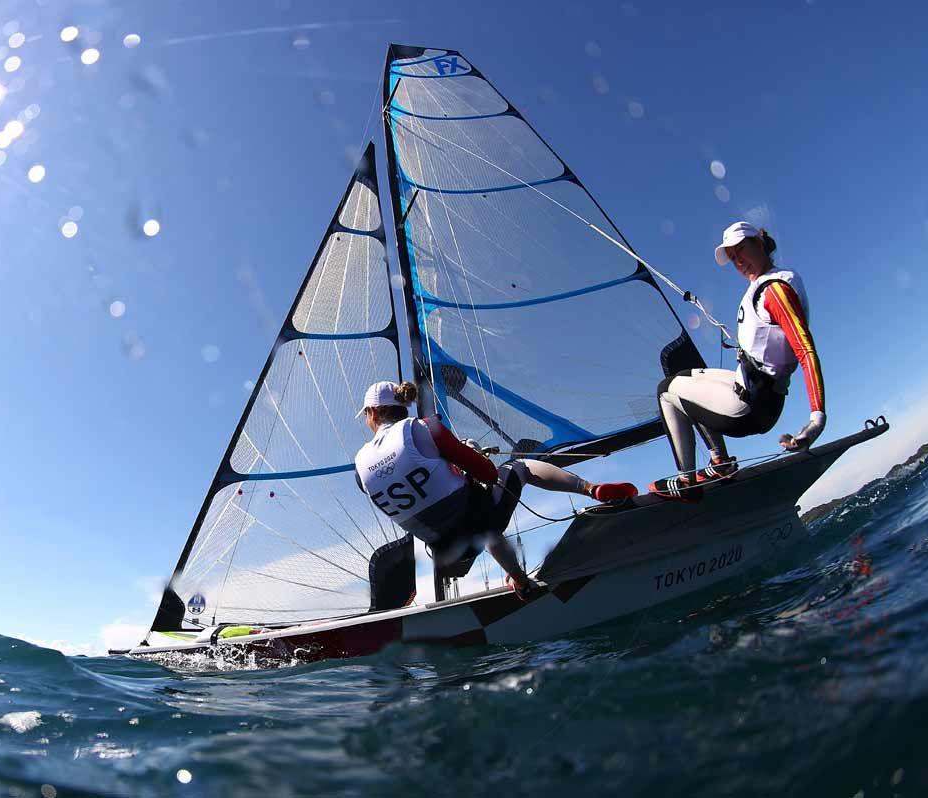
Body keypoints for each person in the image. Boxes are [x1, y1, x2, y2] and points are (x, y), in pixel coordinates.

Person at [353, 380, 638, 597]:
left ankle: (521, 582)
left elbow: (412, 482)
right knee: (518, 469)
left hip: (442, 555)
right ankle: (592, 489)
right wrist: (467, 458)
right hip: (474, 523)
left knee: (481, 523)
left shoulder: (359, 465)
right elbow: (488, 474)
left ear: (373, 413)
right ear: (400, 407)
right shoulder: (425, 428)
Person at [650, 221, 826, 501]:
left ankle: (688, 482)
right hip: (755, 392)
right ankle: (720, 464)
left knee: (665, 390)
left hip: (750, 408)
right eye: (732, 258)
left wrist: (817, 418)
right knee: (687, 375)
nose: (738, 261)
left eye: (741, 250)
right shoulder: (769, 281)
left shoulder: (775, 291)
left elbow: (806, 350)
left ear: (759, 243)